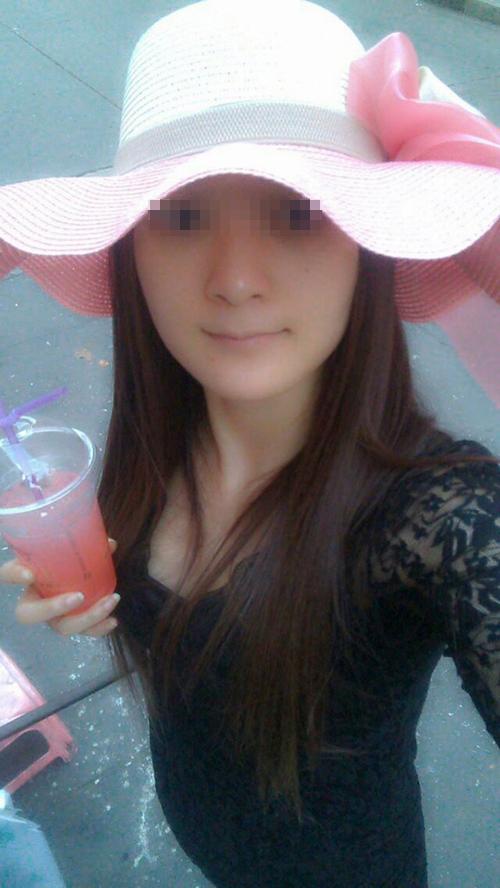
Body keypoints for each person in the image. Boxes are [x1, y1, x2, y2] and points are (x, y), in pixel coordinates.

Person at [0, 1, 499, 886]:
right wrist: (98, 592)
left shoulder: (445, 521)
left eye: (298, 214)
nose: (234, 280)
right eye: (183, 216)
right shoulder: (155, 444)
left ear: (369, 249)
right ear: (130, 249)